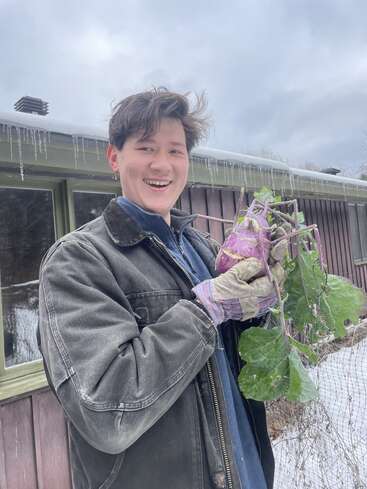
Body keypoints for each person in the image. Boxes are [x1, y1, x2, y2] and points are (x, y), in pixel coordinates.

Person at [38, 88, 284, 489]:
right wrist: (206, 308)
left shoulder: (204, 248)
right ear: (114, 158)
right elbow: (106, 412)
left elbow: (236, 368)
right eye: (146, 147)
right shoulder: (79, 260)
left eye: (175, 151)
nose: (162, 165)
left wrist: (260, 308)